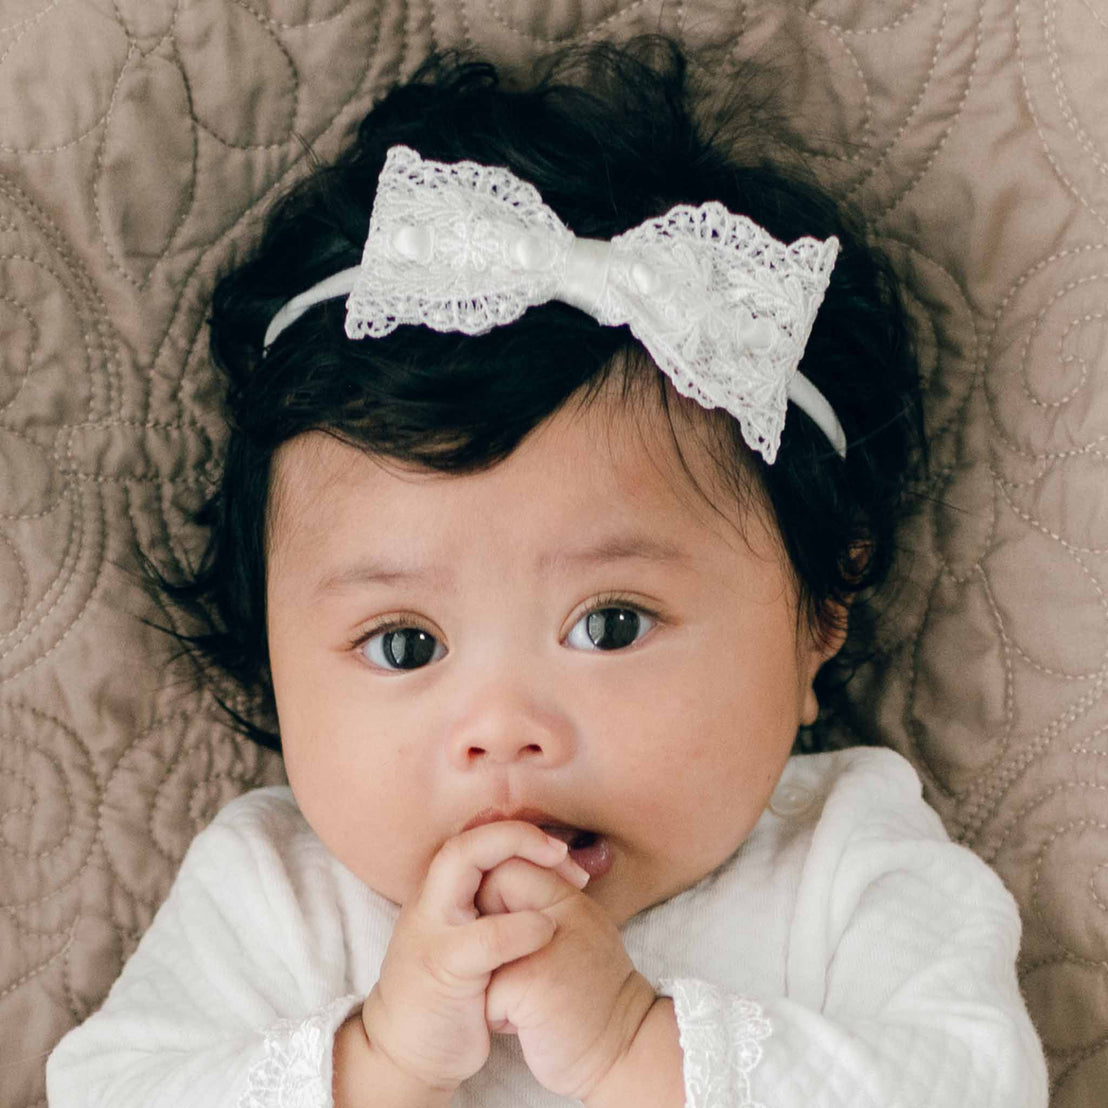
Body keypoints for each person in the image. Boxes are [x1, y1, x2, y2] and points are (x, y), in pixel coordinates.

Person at [46, 36, 1048, 1108]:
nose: (502, 726)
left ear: (821, 613)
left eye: (610, 623)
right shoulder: (276, 895)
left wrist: (635, 1048)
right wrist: (375, 1064)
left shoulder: (844, 861)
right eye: (404, 643)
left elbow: (974, 1080)